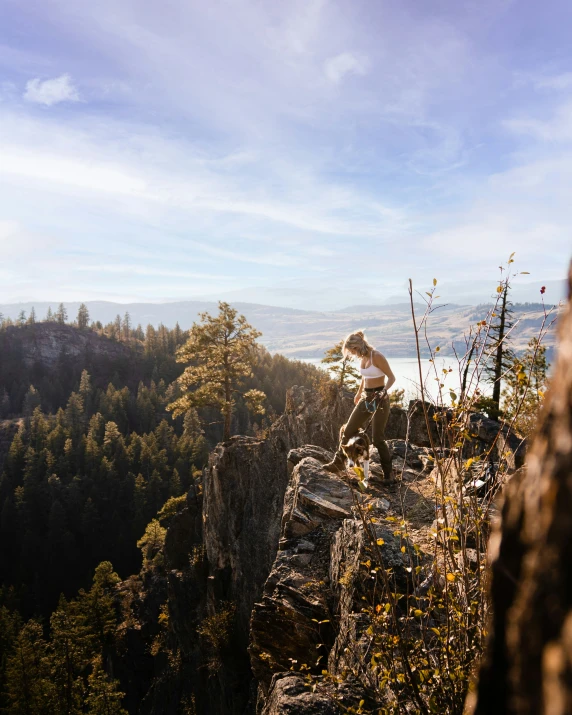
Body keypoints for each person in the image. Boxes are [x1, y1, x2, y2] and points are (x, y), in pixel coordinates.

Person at [324, 330, 396, 481]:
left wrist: (383, 392)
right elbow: (365, 378)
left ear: (357, 346)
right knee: (348, 430)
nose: (352, 354)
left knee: (378, 439)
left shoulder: (376, 356)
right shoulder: (363, 358)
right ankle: (338, 463)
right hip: (366, 397)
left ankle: (388, 474)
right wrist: (358, 393)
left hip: (380, 399)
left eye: (351, 351)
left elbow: (391, 377)